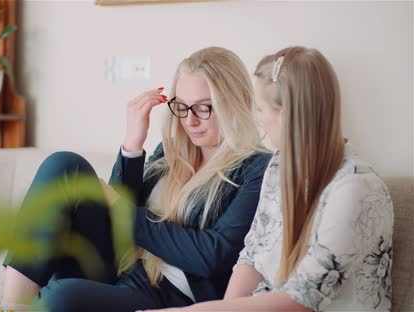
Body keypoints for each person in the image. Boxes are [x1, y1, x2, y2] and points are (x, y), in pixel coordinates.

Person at [0, 47, 271, 312]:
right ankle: (11, 306)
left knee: (61, 298)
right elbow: (119, 218)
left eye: (204, 108)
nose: (190, 121)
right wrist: (132, 145)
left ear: (241, 101)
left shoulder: (257, 169)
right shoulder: (170, 151)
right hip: (124, 268)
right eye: (182, 106)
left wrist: (123, 209)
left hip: (167, 295)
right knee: (64, 165)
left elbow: (212, 254)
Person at [142, 47, 394, 312]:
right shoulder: (278, 165)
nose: (258, 120)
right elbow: (252, 255)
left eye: (260, 109)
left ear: (287, 113)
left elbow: (302, 299)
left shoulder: (355, 187)